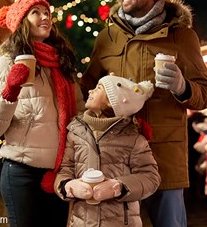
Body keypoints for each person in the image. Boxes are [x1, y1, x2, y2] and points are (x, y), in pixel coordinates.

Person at [80, 0, 207, 227]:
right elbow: (86, 90)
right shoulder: (107, 37)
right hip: (118, 159)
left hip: (163, 156)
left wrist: (182, 87)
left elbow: (206, 95)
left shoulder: (181, 36)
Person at [0, 0, 85, 227]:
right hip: (22, 173)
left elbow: (79, 115)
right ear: (21, 22)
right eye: (35, 12)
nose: (45, 17)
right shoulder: (5, 63)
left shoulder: (62, 63)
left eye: (47, 12)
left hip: (60, 174)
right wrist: (10, 90)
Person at [54, 74, 161, 227]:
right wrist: (68, 186)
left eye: (98, 88)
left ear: (112, 103)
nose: (90, 90)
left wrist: (118, 187)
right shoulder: (75, 132)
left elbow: (151, 177)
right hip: (80, 221)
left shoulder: (134, 139)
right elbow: (65, 169)